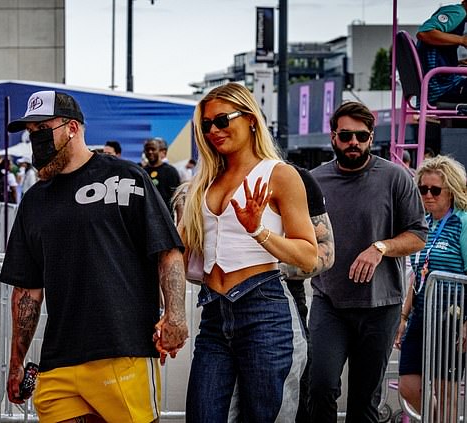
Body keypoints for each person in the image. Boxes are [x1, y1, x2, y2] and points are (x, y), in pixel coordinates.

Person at [0, 90, 188, 422]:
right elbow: (27, 290)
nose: (35, 139)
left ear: (72, 128)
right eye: (30, 133)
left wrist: (175, 317)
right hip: (58, 361)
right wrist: (16, 363)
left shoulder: (125, 178)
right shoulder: (34, 200)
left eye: (42, 129)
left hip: (123, 351)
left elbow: (167, 250)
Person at [181, 82, 317, 421]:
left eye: (222, 120)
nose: (214, 130)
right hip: (214, 312)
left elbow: (309, 255)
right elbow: (180, 253)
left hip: (264, 310)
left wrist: (258, 230)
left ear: (251, 118)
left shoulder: (280, 174)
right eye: (207, 124)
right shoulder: (204, 182)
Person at [309, 101, 428, 423]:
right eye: (346, 135)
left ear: (371, 137)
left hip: (380, 306)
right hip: (329, 302)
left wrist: (380, 247)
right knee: (319, 386)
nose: (354, 143)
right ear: (333, 137)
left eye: (361, 136)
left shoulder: (394, 177)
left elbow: (418, 234)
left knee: (364, 399)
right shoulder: (314, 180)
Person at [227, 163, 335, 423]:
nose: (217, 134)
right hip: (222, 308)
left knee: (283, 408)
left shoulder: (294, 177)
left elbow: (325, 251)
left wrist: (268, 270)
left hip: (281, 305)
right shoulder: (213, 178)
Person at [396, 155, 467, 417]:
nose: (428, 195)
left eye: (435, 190)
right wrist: (403, 316)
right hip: (421, 315)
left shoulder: (462, 222)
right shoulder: (423, 224)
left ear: (451, 191)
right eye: (423, 189)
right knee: (408, 386)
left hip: (452, 316)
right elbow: (417, 273)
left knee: (445, 390)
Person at [416, 0, 467, 105]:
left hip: (438, 86)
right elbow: (424, 33)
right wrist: (462, 40)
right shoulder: (458, 12)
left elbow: (434, 55)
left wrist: (457, 63)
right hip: (441, 89)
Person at [143, 138, 181, 213]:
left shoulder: (170, 171)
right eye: (147, 149)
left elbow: (178, 199)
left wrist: (180, 222)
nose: (150, 152)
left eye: (153, 149)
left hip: (165, 218)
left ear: (159, 151)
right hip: (146, 219)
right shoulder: (142, 172)